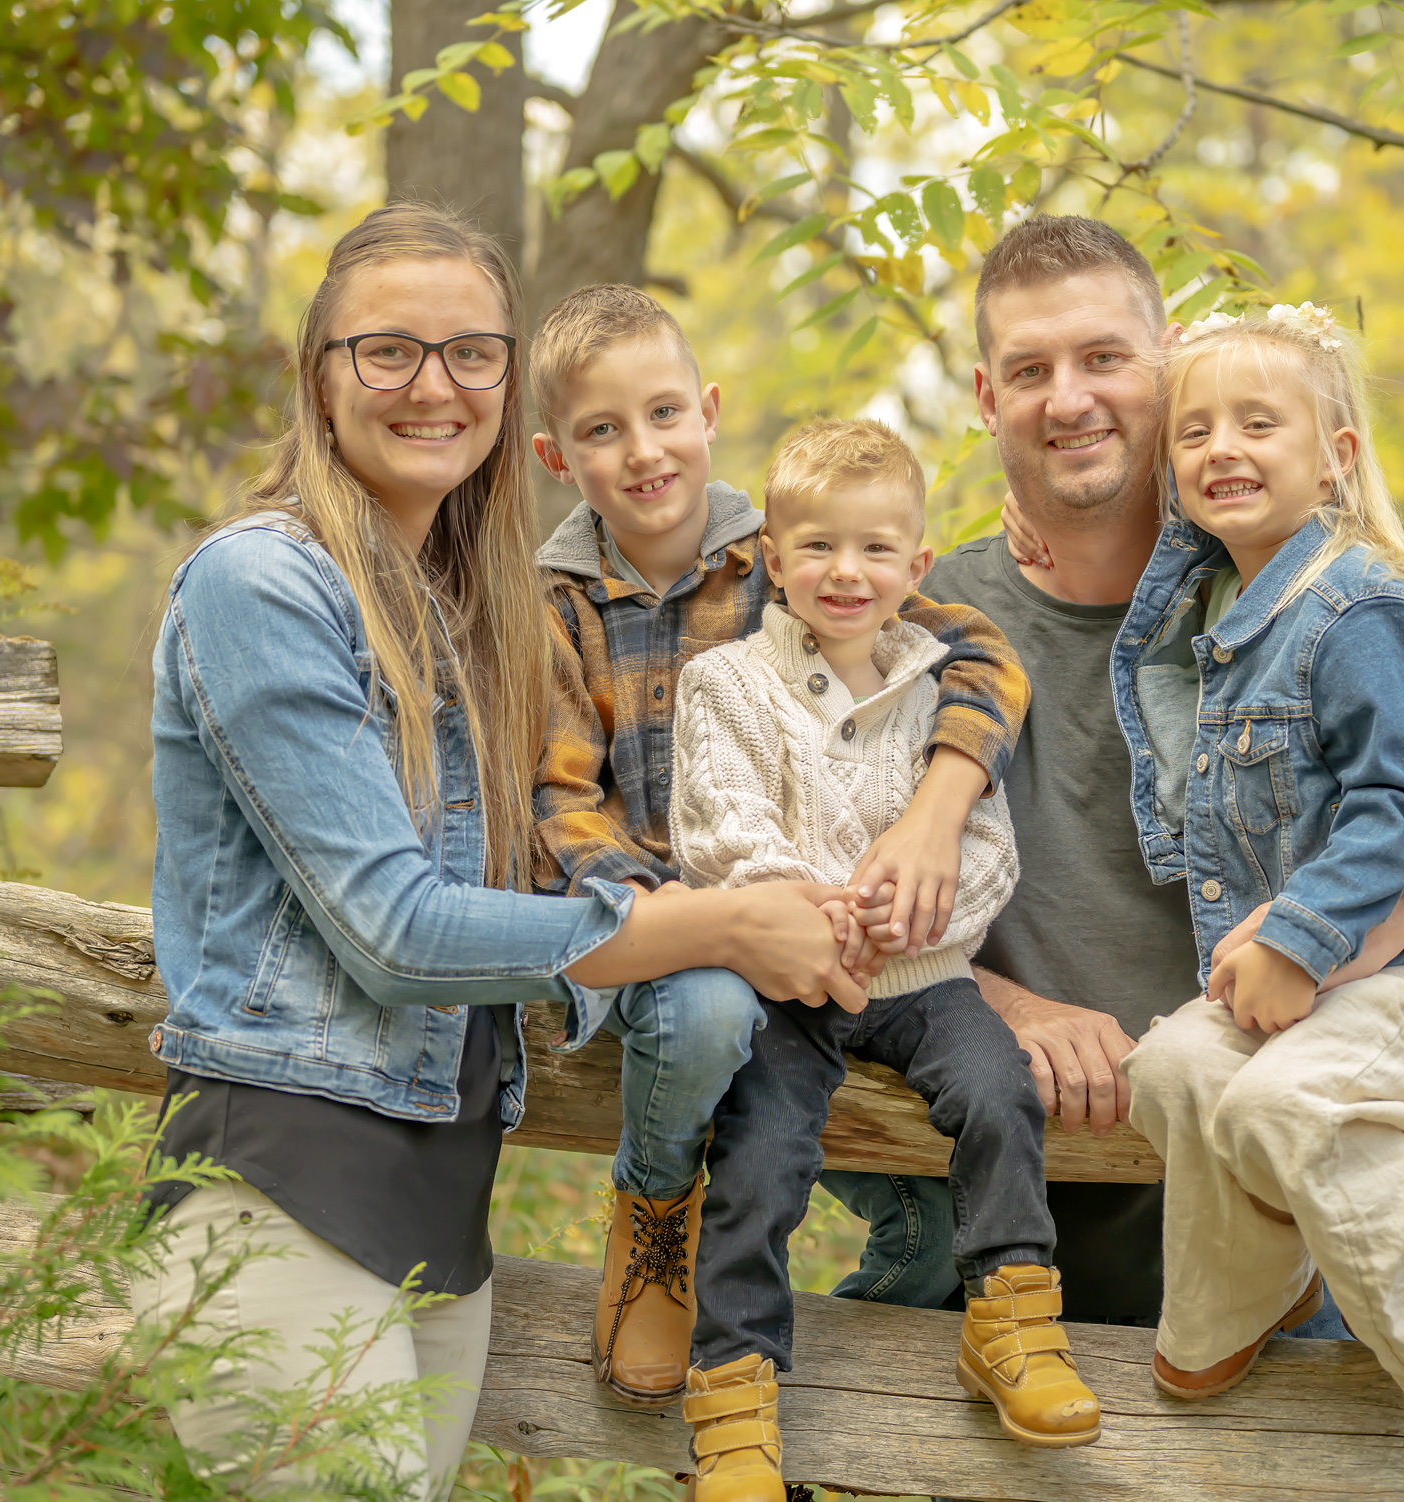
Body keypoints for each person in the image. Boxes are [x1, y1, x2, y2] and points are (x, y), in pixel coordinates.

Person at [135, 202, 868, 1501]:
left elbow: (533, 883)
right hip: (287, 1181)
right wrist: (723, 925)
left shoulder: (477, 619)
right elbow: (398, 931)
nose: (436, 385)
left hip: (440, 1204)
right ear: (322, 373)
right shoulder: (261, 583)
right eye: (390, 351)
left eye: (472, 351)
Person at [829, 215, 1404, 1344]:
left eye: (1104, 358)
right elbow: (811, 883)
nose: (1068, 399)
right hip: (997, 1248)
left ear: (1166, 364)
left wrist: (1343, 932)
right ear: (983, 394)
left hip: (1285, 1247)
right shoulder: (916, 624)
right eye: (1029, 371)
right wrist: (1002, 1007)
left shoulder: (1295, 600)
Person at [525, 284, 1030, 1407]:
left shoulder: (793, 555)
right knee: (709, 1012)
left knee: (935, 1196)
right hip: (658, 927)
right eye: (602, 430)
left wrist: (934, 806)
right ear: (558, 455)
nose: (643, 450)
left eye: (663, 414)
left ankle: (863, 1402)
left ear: (707, 411)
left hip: (824, 922)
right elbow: (558, 797)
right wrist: (671, 918)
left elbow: (975, 655)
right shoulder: (546, 602)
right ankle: (656, 1209)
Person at [669, 419, 1098, 1502]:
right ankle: (733, 1389)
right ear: (773, 558)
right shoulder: (726, 680)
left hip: (921, 974)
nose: (843, 572)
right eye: (815, 547)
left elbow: (983, 843)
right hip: (787, 979)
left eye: (872, 550)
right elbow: (719, 822)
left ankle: (1009, 1317)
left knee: (1000, 1089)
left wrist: (912, 917)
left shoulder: (942, 686)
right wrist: (811, 908)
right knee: (760, 1152)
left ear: (916, 566)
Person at [1114, 302, 1404, 1402]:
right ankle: (1251, 1288)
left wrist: (1299, 936)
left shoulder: (1360, 608)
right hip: (1301, 989)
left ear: (1333, 459)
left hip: (1400, 981)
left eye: (1258, 423)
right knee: (1161, 1067)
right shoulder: (1218, 613)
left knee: (1270, 1106)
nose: (1222, 449)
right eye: (1193, 432)